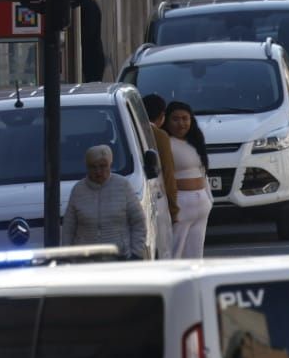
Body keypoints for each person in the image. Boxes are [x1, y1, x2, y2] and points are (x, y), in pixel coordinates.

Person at [62, 145, 149, 258]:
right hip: (86, 261)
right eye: (93, 167)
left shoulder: (123, 186)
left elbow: (138, 222)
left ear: (110, 164)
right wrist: (66, 257)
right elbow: (68, 228)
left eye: (103, 166)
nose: (98, 171)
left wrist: (136, 253)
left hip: (119, 258)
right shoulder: (78, 190)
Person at [166, 100, 212, 258]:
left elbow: (203, 171)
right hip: (180, 203)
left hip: (202, 204)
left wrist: (209, 198)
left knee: (195, 254)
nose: (181, 123)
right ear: (166, 120)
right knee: (175, 251)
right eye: (176, 119)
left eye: (185, 118)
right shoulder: (165, 142)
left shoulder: (195, 141)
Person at [142, 93, 179, 258]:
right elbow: (168, 172)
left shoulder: (134, 129)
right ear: (162, 116)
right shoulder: (160, 135)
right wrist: (173, 207)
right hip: (157, 196)